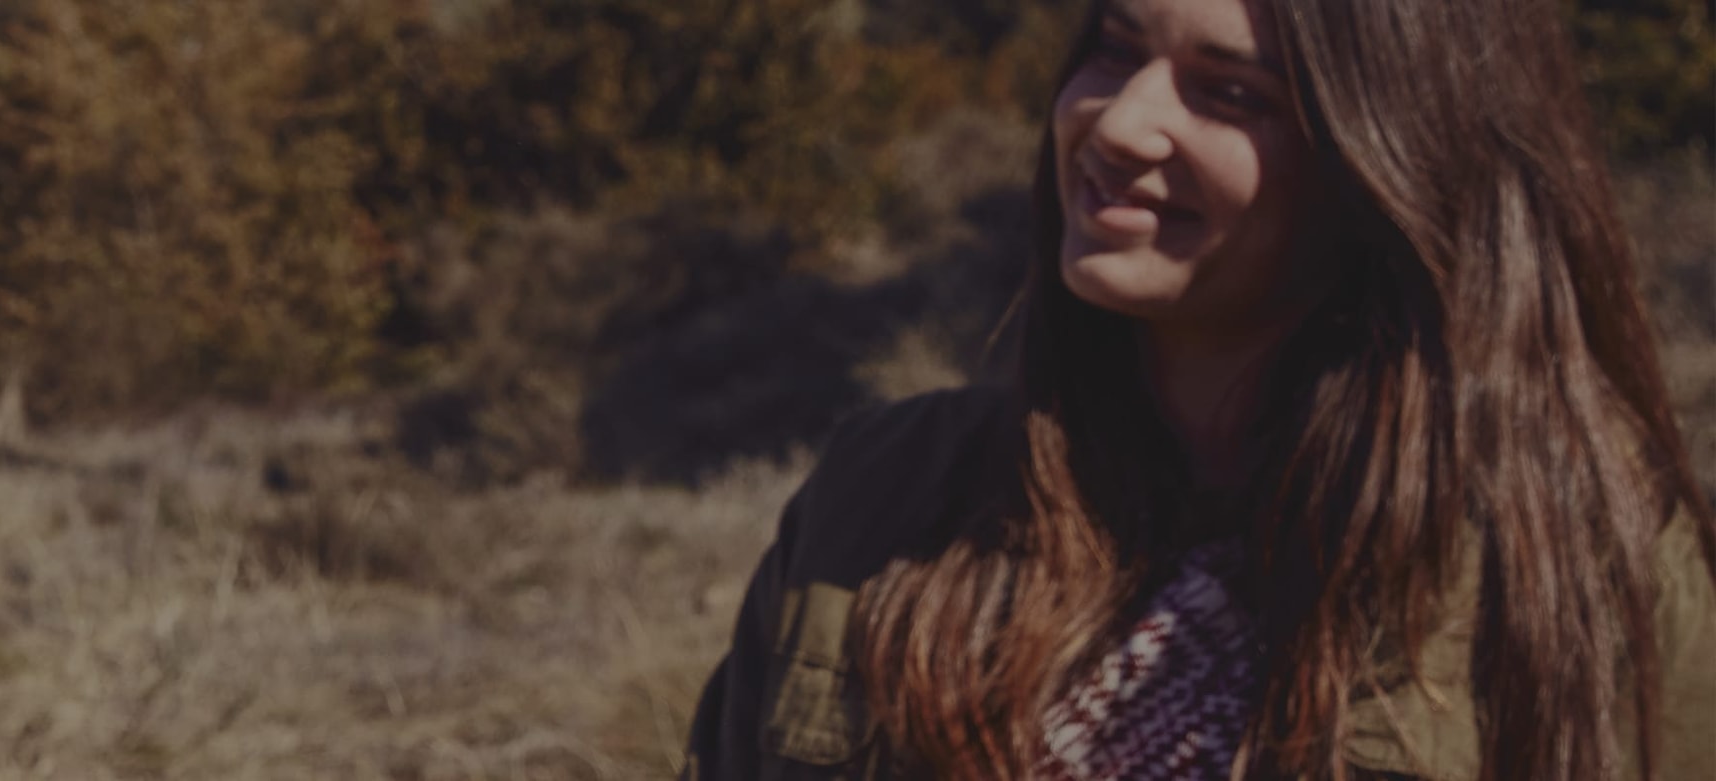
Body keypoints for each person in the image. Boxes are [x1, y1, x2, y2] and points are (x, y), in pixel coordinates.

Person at [682, 0, 1716, 778]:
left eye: (1229, 94)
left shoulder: (1576, 563)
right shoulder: (881, 497)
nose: (1118, 123)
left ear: (1388, 160)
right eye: (1116, 49)